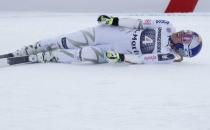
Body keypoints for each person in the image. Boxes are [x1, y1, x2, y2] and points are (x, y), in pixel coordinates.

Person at [0, 15, 203, 64]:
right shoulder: (167, 25)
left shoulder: (168, 55)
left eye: (186, 37)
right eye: (186, 31)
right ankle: (28, 49)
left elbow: (142, 60)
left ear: (184, 49)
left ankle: (44, 57)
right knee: (64, 40)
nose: (182, 33)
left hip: (110, 52)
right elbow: (138, 23)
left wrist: (122, 58)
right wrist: (114, 20)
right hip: (108, 33)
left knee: (76, 54)